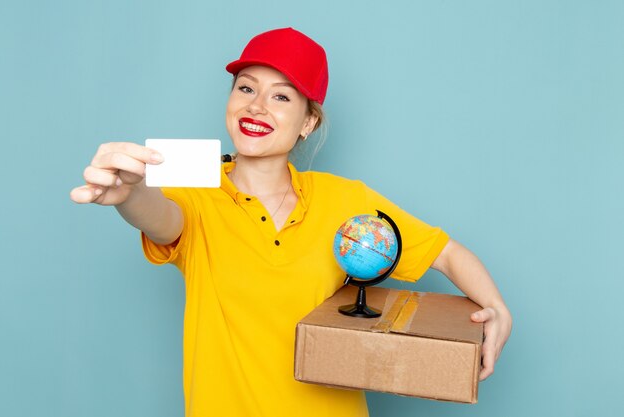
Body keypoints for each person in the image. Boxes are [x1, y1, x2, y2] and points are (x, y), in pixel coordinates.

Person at [70, 27, 512, 417]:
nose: (257, 106)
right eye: (246, 88)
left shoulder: (345, 200)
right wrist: (128, 195)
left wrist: (499, 311)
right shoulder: (195, 191)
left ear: (307, 122)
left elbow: (447, 253)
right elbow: (161, 219)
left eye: (281, 96)